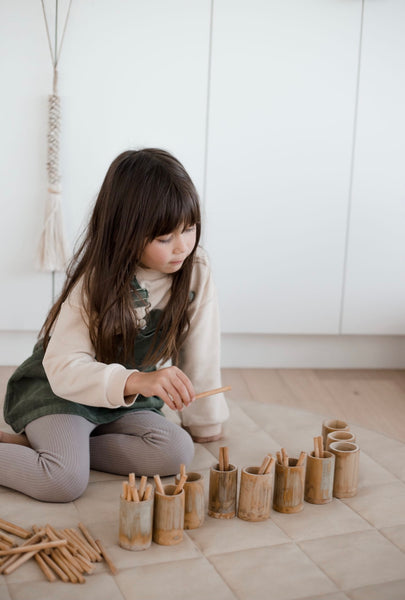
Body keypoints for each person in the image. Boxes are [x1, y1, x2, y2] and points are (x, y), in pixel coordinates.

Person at [0, 148, 229, 502]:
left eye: (189, 228)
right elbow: (64, 367)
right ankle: (58, 450)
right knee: (63, 482)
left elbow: (200, 346)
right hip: (64, 393)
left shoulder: (195, 269)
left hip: (127, 400)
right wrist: (139, 380)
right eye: (164, 238)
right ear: (126, 232)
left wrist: (205, 421)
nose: (181, 247)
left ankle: (52, 446)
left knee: (176, 452)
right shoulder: (95, 283)